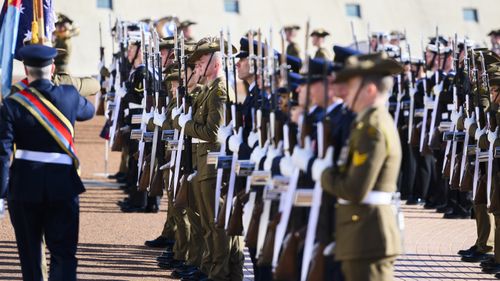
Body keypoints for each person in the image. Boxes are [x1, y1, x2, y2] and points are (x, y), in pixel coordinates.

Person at [0, 44, 94, 281]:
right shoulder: (70, 95)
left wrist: (1, 193)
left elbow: (2, 154)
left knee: (31, 256)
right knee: (63, 253)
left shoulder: (12, 104)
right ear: (52, 67)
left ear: (26, 70)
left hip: (23, 185)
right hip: (62, 184)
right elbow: (89, 111)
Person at [312, 52, 403, 281]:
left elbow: (354, 188)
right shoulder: (367, 122)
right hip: (361, 232)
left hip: (367, 234)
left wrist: (321, 172)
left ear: (369, 90)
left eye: (352, 87)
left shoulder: (371, 127)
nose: (346, 94)